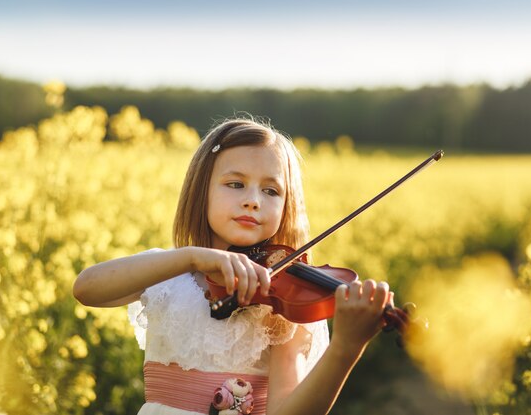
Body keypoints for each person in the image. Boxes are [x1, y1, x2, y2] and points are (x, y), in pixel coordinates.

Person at [73, 117, 395, 415]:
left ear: (286, 207)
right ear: (202, 191)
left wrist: (346, 348)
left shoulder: (284, 308)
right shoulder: (170, 271)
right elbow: (87, 288)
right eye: (236, 184)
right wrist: (192, 256)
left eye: (271, 191)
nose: (253, 200)